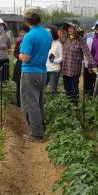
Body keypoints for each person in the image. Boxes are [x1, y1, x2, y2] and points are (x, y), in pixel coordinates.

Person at [19, 8, 52, 142]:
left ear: (26, 20)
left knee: (30, 103)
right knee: (38, 102)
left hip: (30, 72)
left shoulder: (29, 36)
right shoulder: (47, 34)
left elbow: (25, 57)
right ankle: (41, 127)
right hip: (42, 72)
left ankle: (36, 134)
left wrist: (20, 55)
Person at [60, 23, 98, 100]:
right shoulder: (66, 39)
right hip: (65, 69)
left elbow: (87, 53)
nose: (69, 29)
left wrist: (93, 65)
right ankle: (68, 106)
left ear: (76, 29)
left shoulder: (80, 41)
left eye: (71, 28)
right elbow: (61, 33)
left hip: (74, 70)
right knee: (67, 89)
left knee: (74, 89)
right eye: (68, 28)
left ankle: (75, 106)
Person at [12, 25, 29, 107]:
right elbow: (15, 52)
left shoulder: (30, 42)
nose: (22, 34)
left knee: (27, 84)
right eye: (21, 32)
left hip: (28, 64)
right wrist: (20, 57)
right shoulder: (19, 42)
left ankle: (26, 102)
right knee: (19, 84)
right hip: (20, 64)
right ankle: (19, 102)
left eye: (24, 32)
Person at [45, 28, 63, 94]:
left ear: (53, 34)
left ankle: (54, 103)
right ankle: (41, 103)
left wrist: (54, 61)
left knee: (53, 89)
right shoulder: (45, 43)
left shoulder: (58, 44)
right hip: (44, 69)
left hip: (54, 70)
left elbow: (61, 58)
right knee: (41, 88)